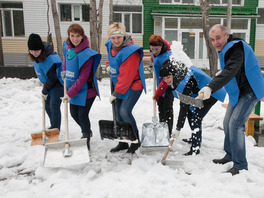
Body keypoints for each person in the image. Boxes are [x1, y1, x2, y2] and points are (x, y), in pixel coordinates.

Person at [198, 24, 264, 175]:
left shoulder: (236, 48)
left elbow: (230, 70)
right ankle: (230, 155)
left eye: (218, 38)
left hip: (250, 91)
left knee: (236, 124)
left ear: (226, 35)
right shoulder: (227, 49)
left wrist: (210, 87)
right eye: (213, 39)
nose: (216, 42)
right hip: (239, 92)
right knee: (227, 122)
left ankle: (240, 164)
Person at [154, 58, 226, 156]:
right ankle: (194, 137)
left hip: (211, 95)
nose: (166, 81)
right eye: (164, 78)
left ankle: (195, 148)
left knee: (196, 118)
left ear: (173, 74)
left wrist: (178, 128)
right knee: (190, 113)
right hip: (197, 95)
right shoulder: (176, 77)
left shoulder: (186, 82)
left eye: (168, 77)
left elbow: (183, 106)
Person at [106, 22, 146, 154]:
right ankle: (123, 142)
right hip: (120, 84)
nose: (116, 40)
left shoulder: (131, 52)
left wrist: (116, 93)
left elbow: (126, 76)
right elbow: (113, 59)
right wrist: (109, 66)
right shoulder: (110, 45)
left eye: (119, 37)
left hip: (134, 84)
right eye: (113, 38)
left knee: (124, 111)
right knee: (117, 113)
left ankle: (135, 140)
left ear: (124, 35)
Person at [61, 24, 101, 150]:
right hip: (74, 90)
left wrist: (69, 93)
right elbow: (66, 63)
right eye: (72, 36)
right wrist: (63, 71)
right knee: (73, 114)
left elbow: (83, 77)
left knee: (82, 114)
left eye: (78, 36)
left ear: (82, 36)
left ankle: (85, 137)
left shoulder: (86, 54)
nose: (75, 39)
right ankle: (87, 131)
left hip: (87, 91)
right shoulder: (69, 49)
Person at [28, 33, 64, 130]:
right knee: (47, 105)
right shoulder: (37, 57)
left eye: (36, 51)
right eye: (31, 51)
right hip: (49, 84)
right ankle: (53, 125)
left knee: (54, 105)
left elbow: (53, 78)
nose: (34, 53)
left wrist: (45, 90)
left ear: (41, 49)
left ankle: (55, 129)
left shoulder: (50, 58)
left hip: (59, 84)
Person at [149, 35, 175, 135]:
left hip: (168, 85)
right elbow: (154, 55)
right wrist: (153, 57)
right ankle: (161, 129)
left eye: (157, 49)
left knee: (167, 108)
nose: (154, 51)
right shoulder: (157, 49)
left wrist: (157, 93)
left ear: (161, 46)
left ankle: (167, 132)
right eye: (152, 49)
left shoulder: (167, 57)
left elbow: (166, 80)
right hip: (160, 82)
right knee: (160, 107)